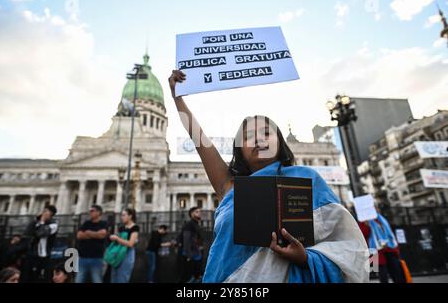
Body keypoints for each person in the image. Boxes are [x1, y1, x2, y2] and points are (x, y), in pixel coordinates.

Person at [168, 70, 369, 283]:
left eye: (266, 133)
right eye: (248, 136)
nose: (258, 139)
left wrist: (306, 258)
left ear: (279, 141)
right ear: (239, 149)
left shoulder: (306, 178)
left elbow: (345, 242)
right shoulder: (230, 186)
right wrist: (178, 98)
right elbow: (199, 139)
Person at [359, 209, 406, 283]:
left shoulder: (381, 219)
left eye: (376, 207)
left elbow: (390, 234)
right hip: (376, 252)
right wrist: (366, 225)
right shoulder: (364, 221)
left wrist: (396, 249)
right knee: (383, 274)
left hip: (390, 249)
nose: (376, 209)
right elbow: (363, 236)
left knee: (397, 272)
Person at [21, 205, 58, 283]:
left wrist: (41, 222)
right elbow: (27, 233)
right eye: (43, 211)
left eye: (46, 211)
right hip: (30, 254)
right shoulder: (35, 222)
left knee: (38, 278)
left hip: (42, 256)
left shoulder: (53, 224)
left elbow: (40, 233)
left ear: (51, 214)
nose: (43, 213)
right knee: (26, 277)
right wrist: (37, 222)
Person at [75, 205, 109, 283]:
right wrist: (96, 234)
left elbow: (102, 235)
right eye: (90, 211)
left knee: (97, 280)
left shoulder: (104, 223)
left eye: (92, 210)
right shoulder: (86, 223)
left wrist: (88, 232)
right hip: (82, 258)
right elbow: (79, 235)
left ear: (98, 212)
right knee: (78, 280)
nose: (90, 212)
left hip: (97, 258)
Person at [109, 208, 139, 283]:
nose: (121, 217)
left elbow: (130, 244)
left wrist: (117, 238)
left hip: (127, 255)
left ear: (130, 216)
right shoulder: (121, 228)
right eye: (121, 215)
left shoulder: (135, 227)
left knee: (122, 278)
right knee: (114, 277)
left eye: (123, 215)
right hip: (117, 254)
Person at [178, 207, 204, 283]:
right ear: (191, 214)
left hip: (196, 254)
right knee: (187, 277)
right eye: (197, 211)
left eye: (200, 211)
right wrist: (189, 256)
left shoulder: (195, 225)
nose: (199, 213)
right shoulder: (189, 225)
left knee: (197, 276)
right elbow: (186, 240)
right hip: (190, 256)